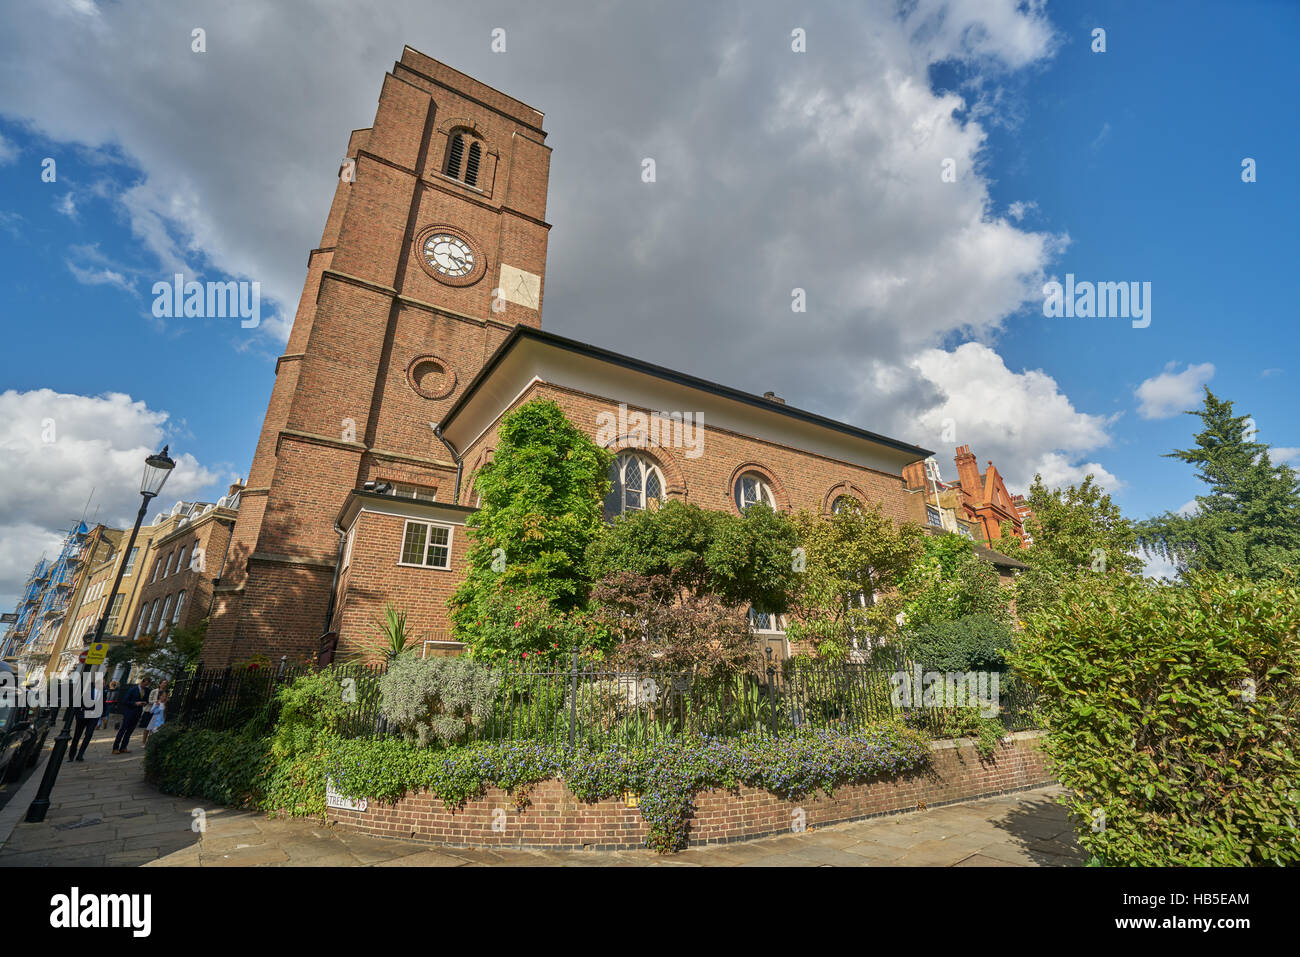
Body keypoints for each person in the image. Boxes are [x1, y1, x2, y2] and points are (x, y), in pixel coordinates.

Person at [112, 676, 151, 754]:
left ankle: (124, 747)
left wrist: (144, 703)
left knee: (130, 731)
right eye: (145, 684)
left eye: (147, 684)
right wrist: (135, 703)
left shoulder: (146, 691)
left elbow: (146, 699)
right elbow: (125, 700)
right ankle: (115, 747)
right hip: (129, 712)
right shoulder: (133, 689)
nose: (145, 686)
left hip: (138, 713)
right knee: (123, 730)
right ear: (141, 682)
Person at [68, 680, 100, 762]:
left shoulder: (102, 693)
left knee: (89, 735)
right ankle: (71, 755)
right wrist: (78, 715)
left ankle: (80, 754)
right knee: (77, 736)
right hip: (83, 716)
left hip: (93, 718)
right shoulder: (86, 692)